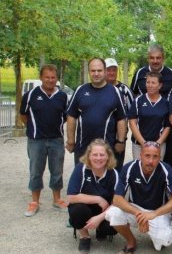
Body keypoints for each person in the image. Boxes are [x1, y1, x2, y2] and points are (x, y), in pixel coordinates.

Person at [105, 141, 172, 253]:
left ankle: (162, 229)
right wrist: (140, 215)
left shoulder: (166, 169)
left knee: (164, 241)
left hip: (157, 212)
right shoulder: (129, 168)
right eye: (147, 156)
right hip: (135, 210)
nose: (150, 161)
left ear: (159, 157)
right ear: (140, 155)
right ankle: (131, 242)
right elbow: (117, 199)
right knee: (113, 213)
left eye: (155, 157)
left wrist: (153, 214)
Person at [20, 64, 68, 217]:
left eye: (53, 77)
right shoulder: (30, 95)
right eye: (47, 77)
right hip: (36, 140)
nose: (50, 80)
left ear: (57, 79)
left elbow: (65, 117)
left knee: (57, 171)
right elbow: (23, 115)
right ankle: (35, 201)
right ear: (41, 77)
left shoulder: (62, 96)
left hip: (56, 140)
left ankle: (57, 199)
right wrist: (34, 128)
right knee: (35, 171)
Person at [66, 58, 127, 167]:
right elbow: (71, 116)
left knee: (107, 179)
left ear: (104, 71)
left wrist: (121, 141)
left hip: (107, 148)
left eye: (99, 70)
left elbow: (121, 119)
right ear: (89, 72)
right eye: (93, 71)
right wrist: (71, 141)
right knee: (84, 179)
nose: (96, 74)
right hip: (83, 147)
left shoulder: (115, 91)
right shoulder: (80, 90)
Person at [67, 139, 119, 254]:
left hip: (104, 211)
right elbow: (71, 197)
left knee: (112, 226)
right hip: (85, 208)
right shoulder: (81, 168)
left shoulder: (114, 173)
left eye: (102, 155)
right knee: (77, 210)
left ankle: (101, 229)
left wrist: (99, 218)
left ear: (108, 157)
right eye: (95, 154)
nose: (98, 158)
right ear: (89, 156)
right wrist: (98, 199)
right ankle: (84, 236)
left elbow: (117, 202)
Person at [128, 72, 170, 160]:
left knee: (157, 170)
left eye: (153, 83)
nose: (150, 85)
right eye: (148, 82)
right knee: (139, 169)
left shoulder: (166, 103)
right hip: (139, 145)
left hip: (159, 145)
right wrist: (144, 143)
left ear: (160, 85)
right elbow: (132, 123)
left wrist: (158, 143)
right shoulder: (138, 101)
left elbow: (167, 126)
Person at [105, 58, 134, 171]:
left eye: (114, 70)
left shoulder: (125, 90)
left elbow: (133, 113)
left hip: (119, 137)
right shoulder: (99, 89)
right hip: (101, 135)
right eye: (108, 70)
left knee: (117, 166)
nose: (111, 73)